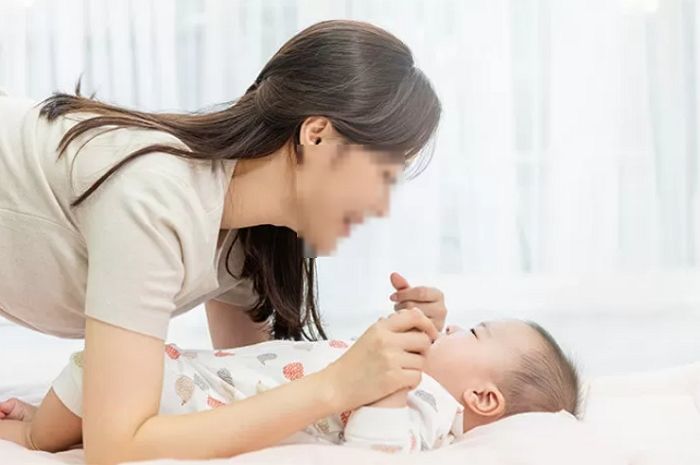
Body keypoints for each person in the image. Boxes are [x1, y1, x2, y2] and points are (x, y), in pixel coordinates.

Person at [0, 20, 445, 463]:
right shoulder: (159, 198)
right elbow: (116, 449)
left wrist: (410, 348)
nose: (380, 205)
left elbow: (248, 386)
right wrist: (336, 385)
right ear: (318, 136)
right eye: (384, 175)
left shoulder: (244, 242)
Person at [0, 318, 579, 455]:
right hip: (208, 374)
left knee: (99, 371)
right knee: (113, 373)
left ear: (482, 398)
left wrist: (393, 387)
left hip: (202, 397)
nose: (452, 327)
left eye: (471, 332)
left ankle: (32, 436)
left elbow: (373, 452)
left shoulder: (424, 404)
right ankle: (54, 421)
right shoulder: (423, 386)